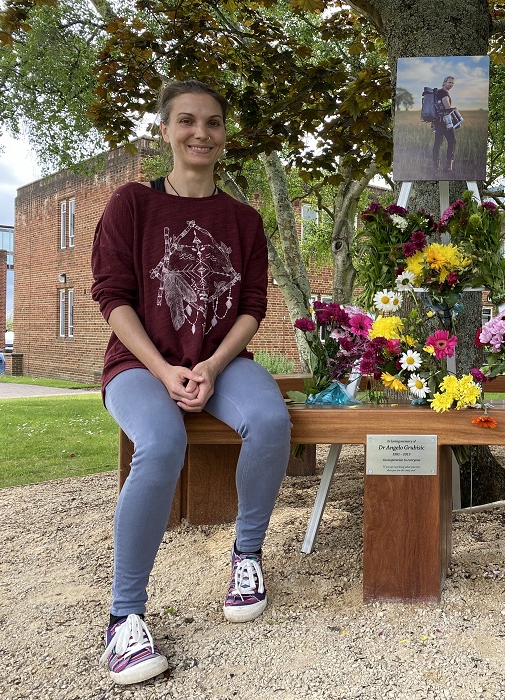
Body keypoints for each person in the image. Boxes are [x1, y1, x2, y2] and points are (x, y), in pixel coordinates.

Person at [91, 79, 292, 685]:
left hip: (220, 363)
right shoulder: (132, 205)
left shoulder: (244, 218)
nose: (199, 133)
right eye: (186, 121)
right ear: (165, 131)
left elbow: (252, 307)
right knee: (161, 443)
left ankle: (247, 555)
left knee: (273, 419)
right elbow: (112, 298)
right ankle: (123, 618)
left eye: (212, 122)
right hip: (139, 365)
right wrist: (164, 368)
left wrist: (210, 365)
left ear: (225, 135)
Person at [431, 76, 463, 172]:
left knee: (438, 143)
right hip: (445, 122)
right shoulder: (443, 92)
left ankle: (436, 165)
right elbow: (446, 107)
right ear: (444, 82)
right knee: (452, 141)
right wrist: (453, 110)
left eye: (453, 83)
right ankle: (448, 166)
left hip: (437, 122)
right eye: (449, 82)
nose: (451, 84)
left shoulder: (438, 92)